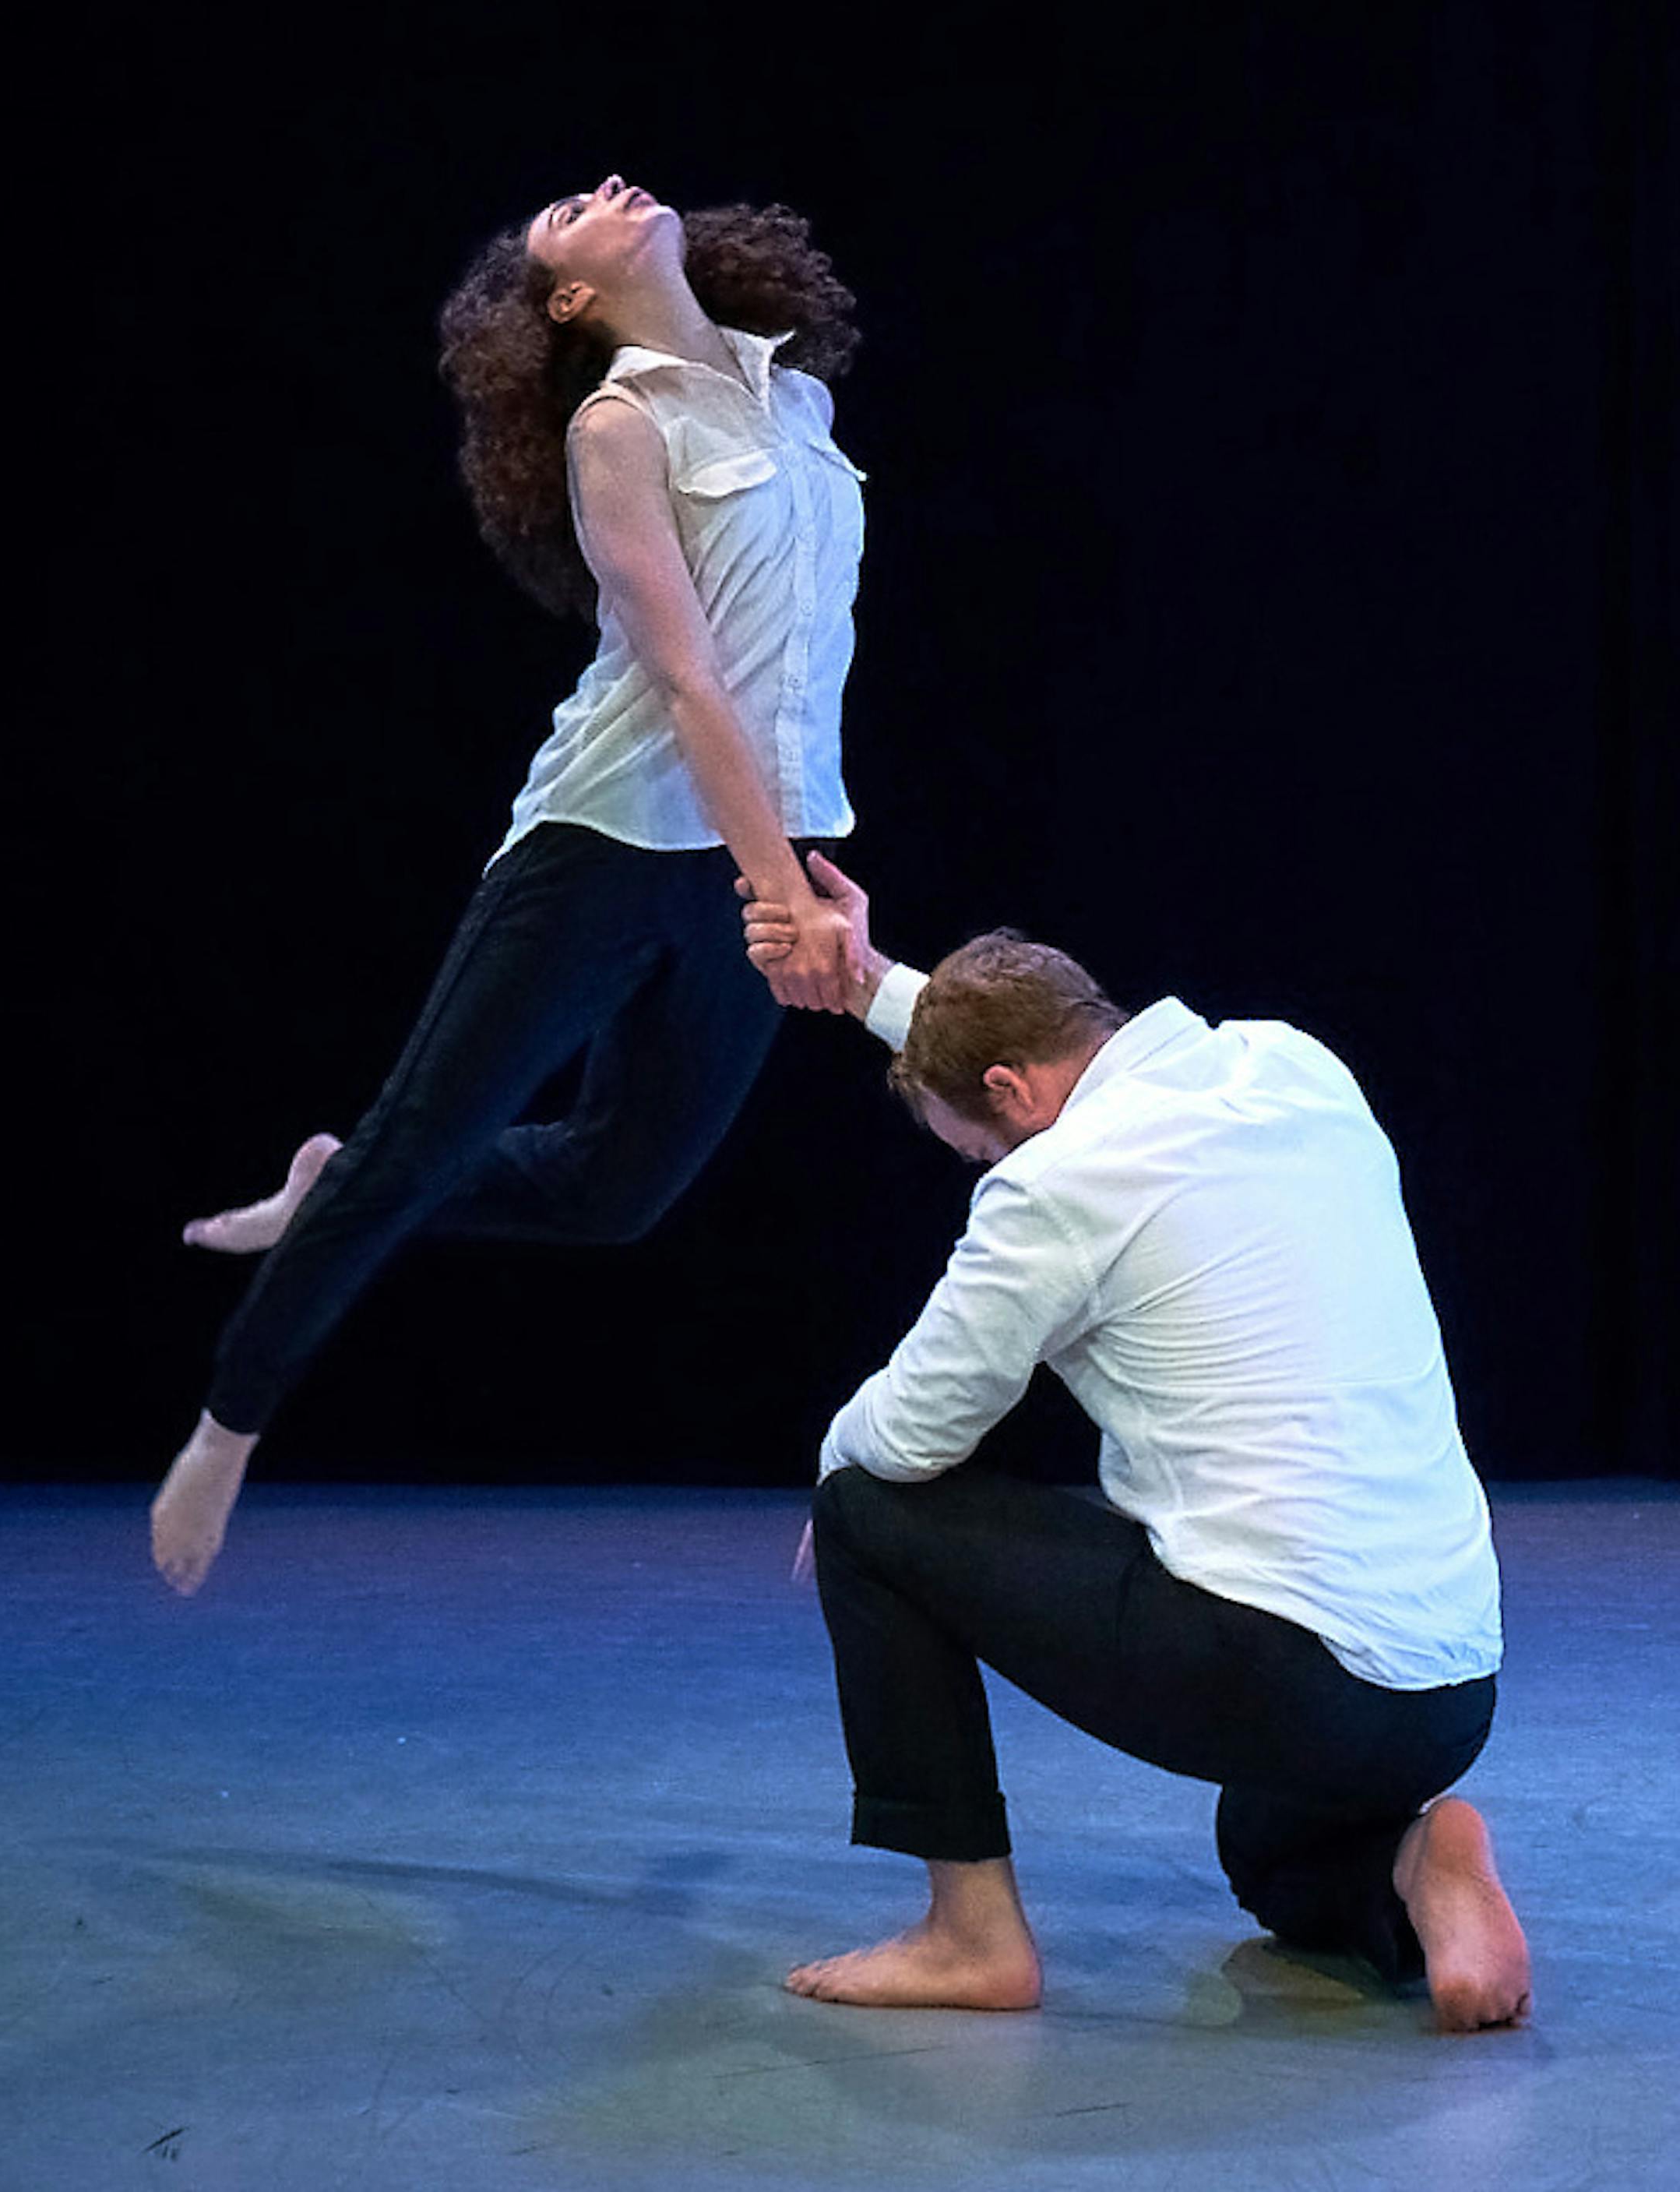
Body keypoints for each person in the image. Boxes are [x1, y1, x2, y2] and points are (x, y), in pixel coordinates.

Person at [151, 177, 866, 1596]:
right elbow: (682, 677)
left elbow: (798, 652)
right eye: (566, 217)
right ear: (571, 301)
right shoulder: (620, 425)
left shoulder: (799, 408)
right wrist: (772, 881)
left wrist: (793, 851)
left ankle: (336, 1186)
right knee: (420, 1142)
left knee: (618, 1192)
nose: (604, 191)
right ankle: (228, 1425)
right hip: (603, 840)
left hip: (759, 833)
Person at [741, 853, 1533, 2033]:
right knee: (1264, 1851)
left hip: (1287, 1670)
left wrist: (836, 1467)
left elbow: (911, 1432)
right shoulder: (1291, 1063)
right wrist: (869, 985)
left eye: (978, 1150)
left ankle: (971, 1935)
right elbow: (1008, 1048)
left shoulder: (1053, 1185)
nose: (988, 1172)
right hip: (1448, 1688)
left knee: (863, 1502)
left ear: (1011, 1097)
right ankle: (1419, 1860)